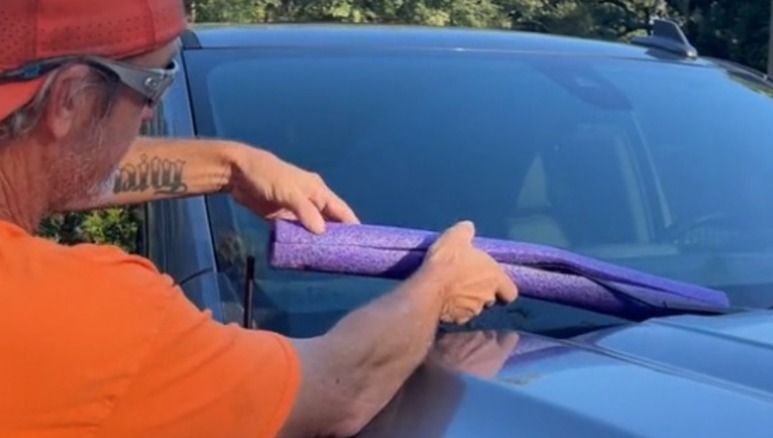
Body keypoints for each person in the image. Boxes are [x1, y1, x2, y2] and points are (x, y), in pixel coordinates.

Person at [0, 1, 519, 437]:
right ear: (70, 98)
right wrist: (437, 290)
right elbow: (343, 387)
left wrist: (228, 165)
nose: (149, 116)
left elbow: (49, 164)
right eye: (154, 83)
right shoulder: (95, 319)